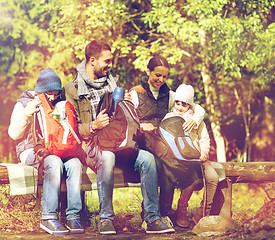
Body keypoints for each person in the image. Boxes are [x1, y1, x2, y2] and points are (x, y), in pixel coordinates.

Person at [64, 40, 175, 235]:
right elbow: (70, 128)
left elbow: (122, 117)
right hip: (91, 145)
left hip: (118, 141)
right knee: (107, 157)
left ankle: (152, 219)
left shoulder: (113, 83)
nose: (110, 65)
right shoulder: (72, 89)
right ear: (92, 61)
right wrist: (92, 125)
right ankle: (106, 220)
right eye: (107, 61)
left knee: (147, 159)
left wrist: (129, 105)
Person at [129, 56, 206, 226]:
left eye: (165, 76)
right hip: (142, 144)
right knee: (160, 166)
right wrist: (142, 126)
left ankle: (164, 212)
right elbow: (126, 119)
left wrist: (197, 117)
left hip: (163, 144)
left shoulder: (169, 95)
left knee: (170, 168)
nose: (161, 80)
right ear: (148, 71)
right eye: (157, 75)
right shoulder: (136, 93)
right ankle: (151, 214)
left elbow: (196, 106)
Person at [8, 68, 84, 235]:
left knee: (75, 164)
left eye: (56, 93)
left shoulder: (58, 103)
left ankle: (73, 215)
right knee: (53, 162)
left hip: (56, 149)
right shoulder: (25, 102)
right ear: (41, 91)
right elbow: (14, 134)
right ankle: (48, 217)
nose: (53, 97)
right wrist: (27, 114)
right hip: (29, 150)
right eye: (50, 93)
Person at [163, 84, 219, 227]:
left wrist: (204, 152)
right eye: (178, 103)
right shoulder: (170, 116)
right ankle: (182, 209)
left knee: (213, 177)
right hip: (180, 158)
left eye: (184, 104)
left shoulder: (196, 119)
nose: (180, 107)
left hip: (197, 155)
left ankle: (203, 212)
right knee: (192, 178)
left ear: (190, 105)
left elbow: (204, 138)